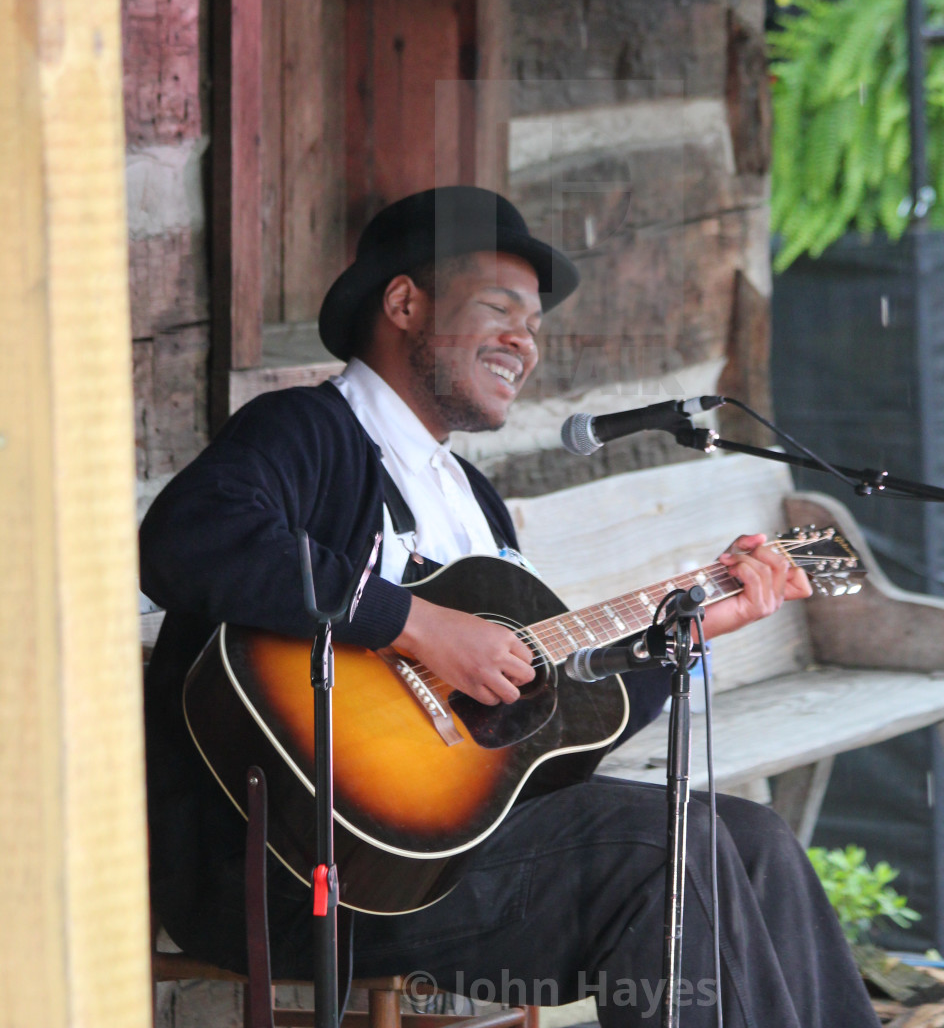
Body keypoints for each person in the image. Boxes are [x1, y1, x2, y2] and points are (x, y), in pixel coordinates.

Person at [141, 187, 880, 1028]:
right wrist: (419, 625)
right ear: (405, 303)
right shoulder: (308, 431)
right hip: (292, 868)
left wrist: (692, 626)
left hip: (445, 856)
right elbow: (187, 539)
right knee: (676, 852)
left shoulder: (475, 503)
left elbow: (553, 727)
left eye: (535, 325)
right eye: (500, 309)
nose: (525, 342)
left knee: (755, 843)